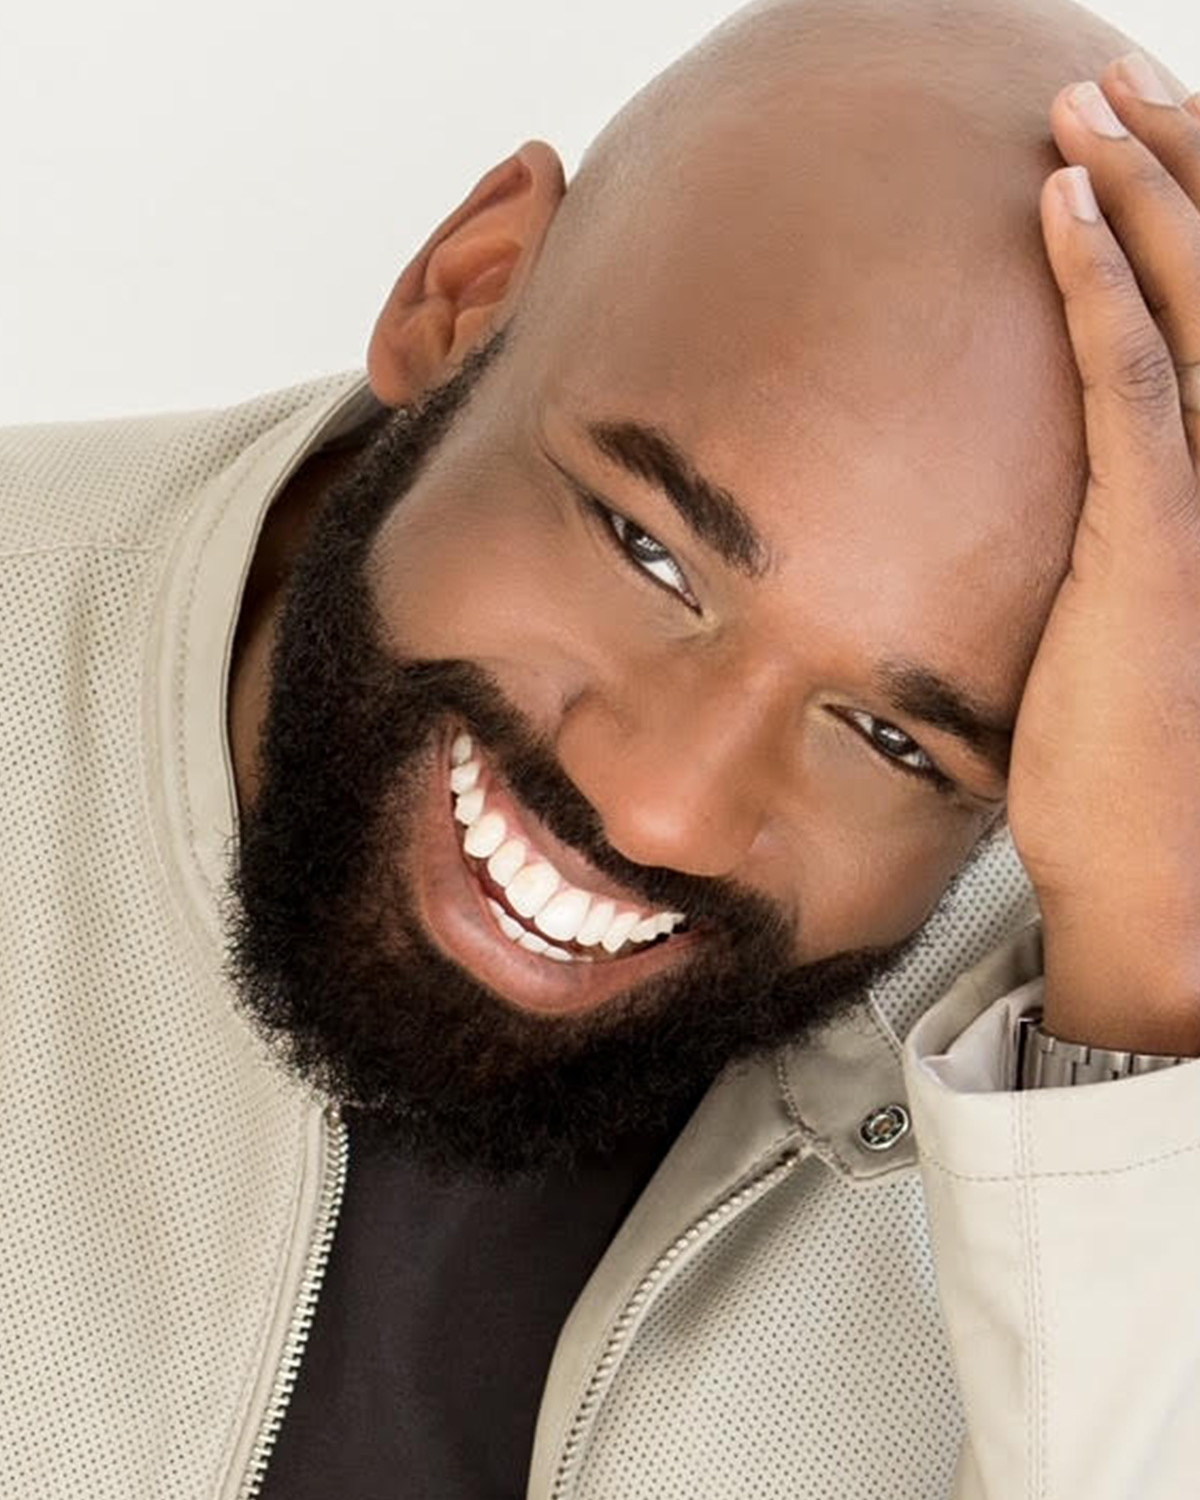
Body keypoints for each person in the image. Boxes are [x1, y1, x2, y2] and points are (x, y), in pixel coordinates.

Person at [3, 0, 1200, 1492]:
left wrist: (1148, 1005)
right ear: (466, 294)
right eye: (649, 549)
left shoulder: (1115, 962)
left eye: (894, 740)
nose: (662, 811)